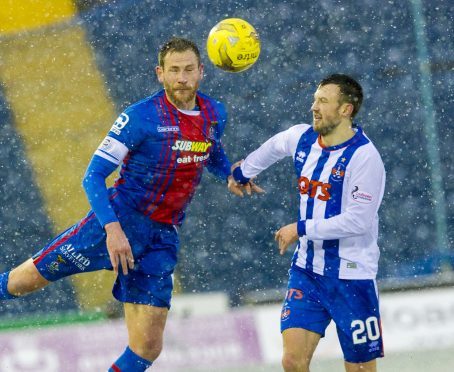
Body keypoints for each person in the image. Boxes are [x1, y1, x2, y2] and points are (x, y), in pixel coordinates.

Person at [0, 37, 261, 371]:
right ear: (160, 74)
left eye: (188, 70)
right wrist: (112, 230)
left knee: (147, 348)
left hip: (161, 237)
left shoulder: (214, 114)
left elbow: (210, 150)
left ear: (201, 72)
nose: (181, 78)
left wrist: (229, 173)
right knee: (20, 284)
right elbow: (93, 176)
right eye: (174, 70)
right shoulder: (139, 117)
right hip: (115, 221)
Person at [231, 74, 386, 372]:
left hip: (352, 278)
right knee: (292, 361)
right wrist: (242, 173)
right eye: (315, 99)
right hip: (307, 272)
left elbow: (358, 221)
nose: (314, 107)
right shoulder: (303, 138)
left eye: (323, 101)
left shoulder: (365, 157)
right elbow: (276, 145)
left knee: (359, 369)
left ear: (346, 110)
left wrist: (301, 229)